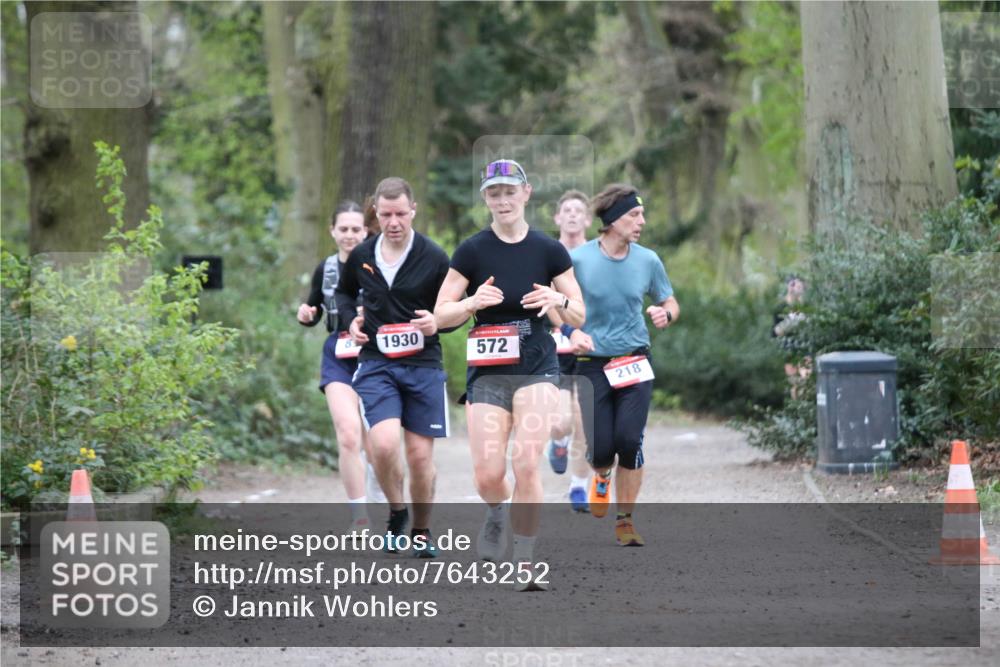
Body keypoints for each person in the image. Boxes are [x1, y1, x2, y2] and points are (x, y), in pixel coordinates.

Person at [434, 159, 585, 590]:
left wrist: (556, 297)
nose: (502, 199)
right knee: (487, 473)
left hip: (537, 368)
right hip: (488, 374)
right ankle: (497, 512)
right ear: (486, 198)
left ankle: (525, 558)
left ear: (526, 192)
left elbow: (578, 312)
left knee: (525, 461)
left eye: (509, 191)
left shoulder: (548, 251)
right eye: (493, 193)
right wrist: (471, 303)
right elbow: (441, 316)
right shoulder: (471, 251)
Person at [335, 177, 453, 558]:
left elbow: (455, 307)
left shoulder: (434, 256)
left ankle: (421, 531)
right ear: (377, 214)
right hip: (377, 363)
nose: (394, 221)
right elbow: (343, 291)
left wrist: (438, 322)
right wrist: (351, 319)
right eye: (385, 214)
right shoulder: (363, 254)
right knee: (384, 446)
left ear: (413, 211)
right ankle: (397, 514)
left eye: (401, 213)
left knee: (420, 458)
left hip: (423, 365)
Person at [571, 184, 678, 547]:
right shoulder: (579, 260)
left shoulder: (648, 260)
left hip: (634, 360)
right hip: (591, 363)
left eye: (641, 214)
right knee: (601, 448)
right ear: (612, 220)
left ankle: (625, 521)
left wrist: (665, 313)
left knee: (630, 441)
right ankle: (600, 475)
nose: (641, 221)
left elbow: (670, 301)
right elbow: (561, 307)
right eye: (634, 215)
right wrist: (571, 331)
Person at [296, 201, 371, 530]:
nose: (350, 235)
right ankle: (359, 516)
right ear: (332, 231)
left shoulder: (378, 264)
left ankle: (384, 493)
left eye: (356, 229)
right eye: (344, 229)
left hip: (375, 354)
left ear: (366, 231)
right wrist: (306, 315)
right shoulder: (325, 268)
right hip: (338, 354)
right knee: (348, 434)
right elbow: (313, 308)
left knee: (378, 440)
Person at [544, 190, 594, 512]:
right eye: (567, 210)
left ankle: (578, 487)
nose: (573, 215)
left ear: (588, 219)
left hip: (591, 346)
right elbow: (543, 295)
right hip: (558, 344)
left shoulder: (597, 255)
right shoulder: (548, 253)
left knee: (585, 419)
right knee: (561, 421)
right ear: (557, 218)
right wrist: (563, 328)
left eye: (579, 210)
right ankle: (558, 442)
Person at [772, 275, 810, 398]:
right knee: (795, 382)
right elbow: (775, 332)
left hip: (805, 347)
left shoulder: (805, 306)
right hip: (789, 349)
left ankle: (805, 406)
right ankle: (797, 408)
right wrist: (789, 323)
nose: (798, 289)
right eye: (795, 285)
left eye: (800, 286)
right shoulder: (781, 307)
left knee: (806, 379)